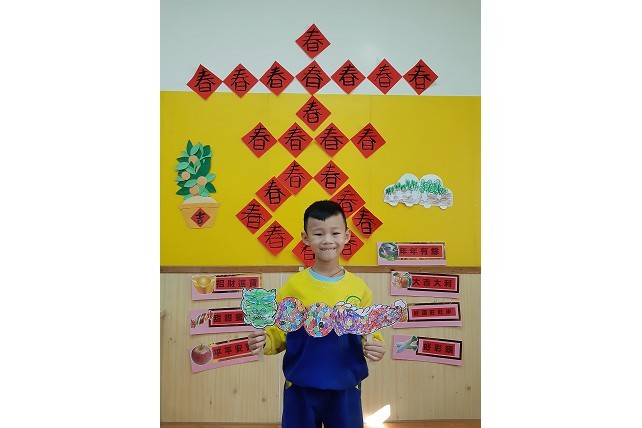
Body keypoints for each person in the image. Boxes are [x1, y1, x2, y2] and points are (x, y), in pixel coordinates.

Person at [248, 200, 385, 428]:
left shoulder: (359, 289)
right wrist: (264, 341)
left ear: (347, 236)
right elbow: (278, 334)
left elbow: (371, 335)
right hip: (300, 385)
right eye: (319, 233)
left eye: (335, 233)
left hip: (346, 387)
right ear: (305, 238)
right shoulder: (293, 287)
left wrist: (376, 347)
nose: (327, 240)